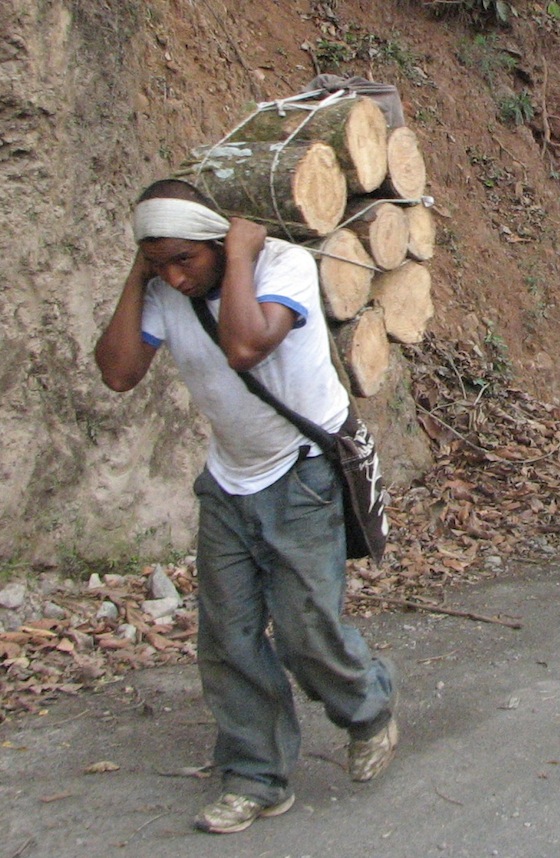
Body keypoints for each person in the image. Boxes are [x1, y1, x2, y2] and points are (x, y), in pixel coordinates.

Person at [95, 178, 398, 834]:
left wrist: (237, 256)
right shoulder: (159, 287)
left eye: (185, 260)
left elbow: (243, 345)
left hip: (302, 473)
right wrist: (135, 276)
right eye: (159, 263)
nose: (174, 278)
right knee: (227, 639)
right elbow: (118, 373)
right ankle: (255, 776)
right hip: (229, 483)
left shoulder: (281, 264)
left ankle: (369, 706)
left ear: (217, 240)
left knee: (304, 631)